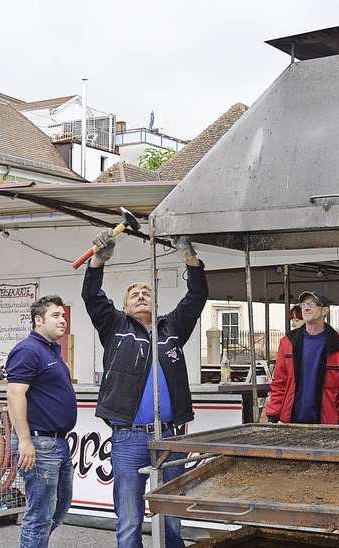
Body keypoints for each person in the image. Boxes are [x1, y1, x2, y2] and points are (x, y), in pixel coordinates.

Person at [81, 229, 208, 548]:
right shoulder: (114, 326)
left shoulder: (172, 328)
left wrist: (188, 257)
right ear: (124, 307)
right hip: (129, 435)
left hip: (171, 435)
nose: (141, 296)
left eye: (146, 293)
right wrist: (98, 259)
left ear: (157, 302)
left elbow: (197, 298)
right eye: (134, 294)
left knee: (171, 513)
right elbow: (92, 297)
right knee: (129, 515)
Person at [6, 295, 77, 548]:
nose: (63, 321)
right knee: (39, 516)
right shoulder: (28, 349)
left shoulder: (50, 350)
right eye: (56, 316)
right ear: (38, 320)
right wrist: (25, 441)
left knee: (59, 506)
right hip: (39, 443)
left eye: (64, 316)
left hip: (57, 443)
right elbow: (15, 394)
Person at [266, 291, 339, 425]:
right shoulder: (288, 342)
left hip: (327, 423)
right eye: (303, 304)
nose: (306, 307)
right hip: (291, 421)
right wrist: (273, 415)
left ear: (325, 311)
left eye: (312, 304)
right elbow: (279, 382)